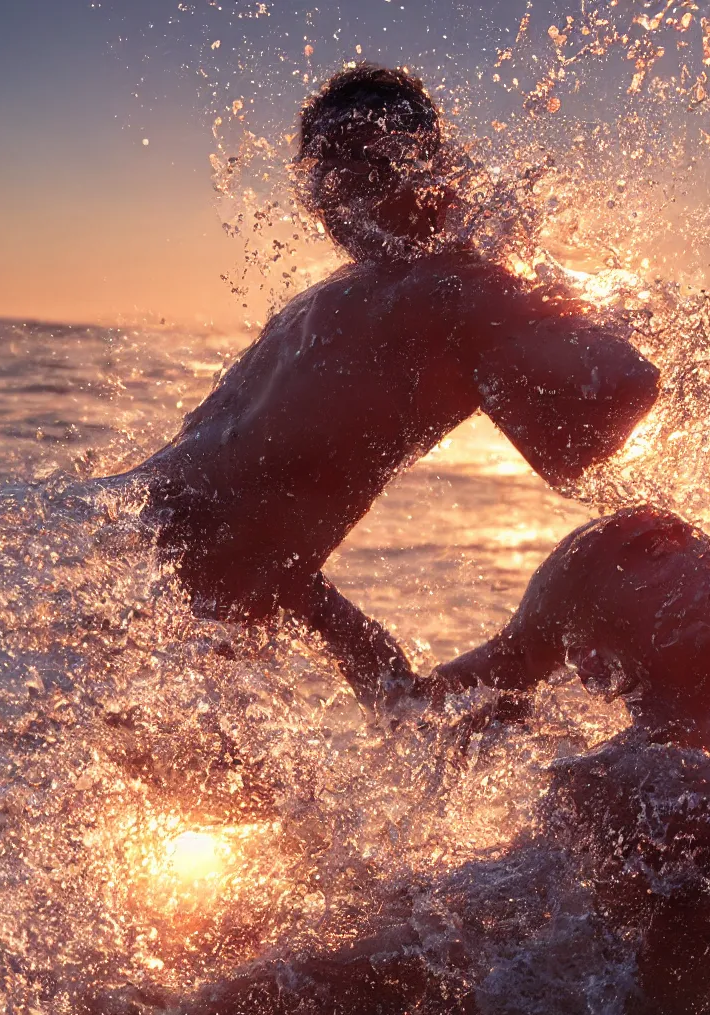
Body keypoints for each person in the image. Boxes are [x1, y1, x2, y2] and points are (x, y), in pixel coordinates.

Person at [88, 508, 710, 1015]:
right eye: (649, 551)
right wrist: (304, 591)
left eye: (702, 542)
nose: (701, 555)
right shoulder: (636, 791)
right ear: (594, 665)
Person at [109, 64, 659, 704]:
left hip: (135, 577)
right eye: (322, 175)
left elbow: (618, 394)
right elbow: (264, 485)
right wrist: (367, 660)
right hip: (130, 566)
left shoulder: (460, 289)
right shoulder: (343, 293)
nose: (338, 194)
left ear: (434, 164)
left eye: (369, 164)